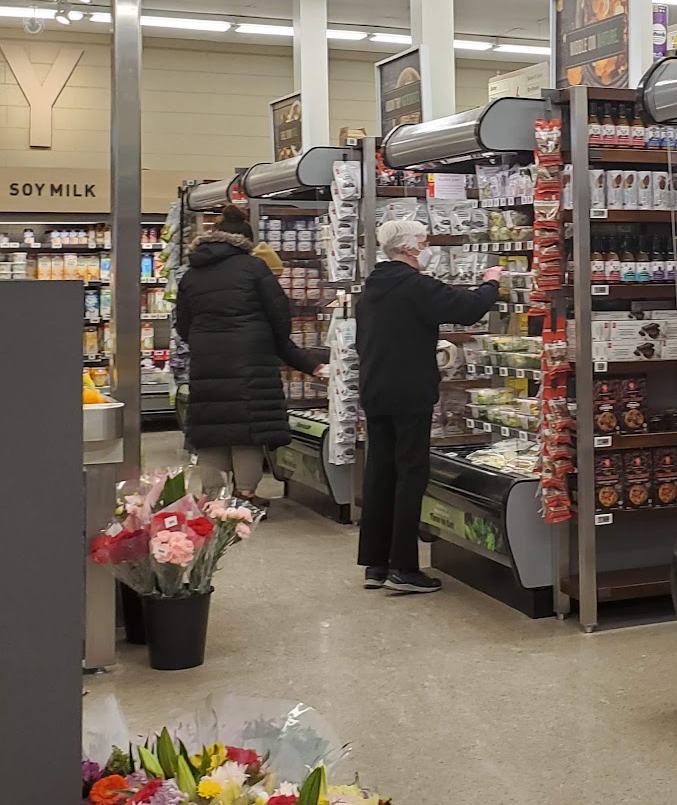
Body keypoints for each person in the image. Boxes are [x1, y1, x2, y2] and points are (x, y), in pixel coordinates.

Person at [355, 217, 503, 593]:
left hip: (376, 389)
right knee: (410, 475)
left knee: (380, 472)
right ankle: (404, 568)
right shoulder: (415, 285)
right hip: (409, 392)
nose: (427, 248)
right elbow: (467, 308)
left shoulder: (373, 286)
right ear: (408, 248)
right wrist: (491, 282)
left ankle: (376, 563)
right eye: (424, 242)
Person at [173, 207, 326, 506]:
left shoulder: (192, 274)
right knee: (247, 431)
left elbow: (183, 324)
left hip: (207, 360)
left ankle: (212, 497)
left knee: (211, 429)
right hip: (250, 359)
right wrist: (274, 341)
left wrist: (207, 341)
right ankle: (245, 495)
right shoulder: (254, 268)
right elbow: (279, 314)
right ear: (245, 240)